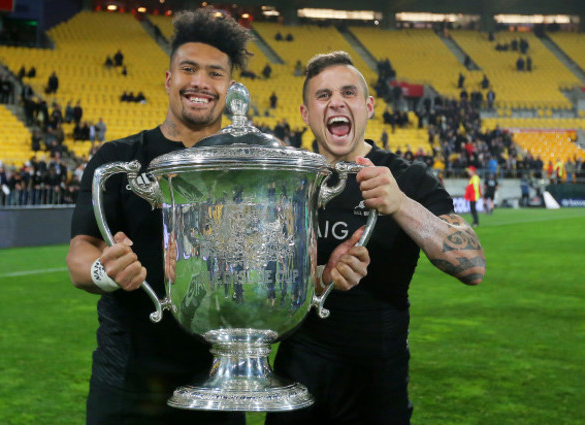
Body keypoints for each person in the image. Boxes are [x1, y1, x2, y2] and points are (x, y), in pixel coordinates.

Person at [265, 51, 485, 425]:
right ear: (306, 114)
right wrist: (322, 277)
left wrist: (400, 204)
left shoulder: (409, 178)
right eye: (322, 95)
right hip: (296, 375)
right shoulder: (286, 184)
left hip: (378, 378)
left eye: (348, 93)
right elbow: (262, 285)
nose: (336, 101)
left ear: (368, 107)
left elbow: (473, 266)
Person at [66, 8, 255, 425]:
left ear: (229, 87)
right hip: (127, 381)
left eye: (215, 73)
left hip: (218, 382)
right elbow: (81, 253)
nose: (201, 82)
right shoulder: (117, 159)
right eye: (188, 69)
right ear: (170, 79)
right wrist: (106, 270)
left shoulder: (251, 170)